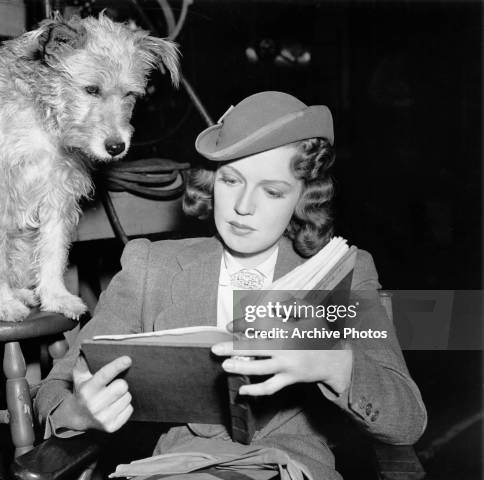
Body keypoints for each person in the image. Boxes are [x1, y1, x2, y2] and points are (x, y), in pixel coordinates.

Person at [35, 91, 427, 480]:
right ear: (211, 181)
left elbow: (406, 420)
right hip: (178, 469)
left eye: (272, 191)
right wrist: (78, 412)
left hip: (290, 468)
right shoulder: (152, 267)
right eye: (231, 180)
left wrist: (334, 363)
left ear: (302, 198)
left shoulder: (338, 273)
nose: (243, 206)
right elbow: (56, 388)